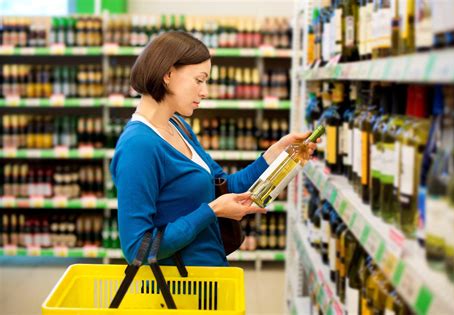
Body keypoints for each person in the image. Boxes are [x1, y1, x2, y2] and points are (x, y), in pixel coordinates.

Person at [110, 31, 317, 266]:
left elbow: (225, 187)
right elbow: (138, 249)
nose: (204, 91)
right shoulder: (139, 146)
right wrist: (212, 211)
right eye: (199, 80)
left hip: (209, 279)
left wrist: (276, 154)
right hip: (178, 293)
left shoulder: (178, 127)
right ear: (168, 74)